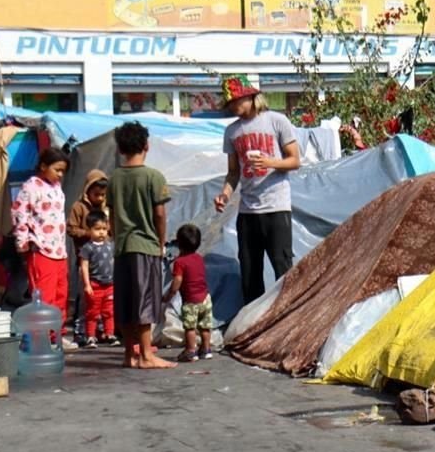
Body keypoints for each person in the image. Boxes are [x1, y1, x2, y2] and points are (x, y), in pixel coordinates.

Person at [214, 74, 300, 305]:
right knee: (250, 272)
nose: (234, 106)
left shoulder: (277, 121)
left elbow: (294, 161)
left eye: (236, 100)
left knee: (282, 267)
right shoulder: (232, 131)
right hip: (248, 211)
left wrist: (271, 162)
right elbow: (233, 172)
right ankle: (253, 322)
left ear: (251, 96)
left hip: (276, 207)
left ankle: (286, 316)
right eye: (230, 103)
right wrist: (225, 194)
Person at [107, 121, 176, 369]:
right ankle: (146, 355)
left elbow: (112, 214)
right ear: (146, 145)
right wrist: (160, 241)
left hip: (122, 247)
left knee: (125, 301)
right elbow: (159, 214)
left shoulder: (114, 178)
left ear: (120, 148)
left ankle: (129, 354)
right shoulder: (153, 177)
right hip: (145, 246)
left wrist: (116, 237)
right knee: (145, 300)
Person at [11, 147, 78, 351]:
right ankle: (40, 337)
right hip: (40, 249)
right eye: (57, 169)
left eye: (62, 171)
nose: (59, 174)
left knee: (60, 295)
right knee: (44, 296)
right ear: (43, 166)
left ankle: (56, 335)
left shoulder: (56, 187)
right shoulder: (31, 186)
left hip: (59, 250)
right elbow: (20, 214)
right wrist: (22, 243)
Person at [67, 169, 109, 341]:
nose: (99, 198)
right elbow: (71, 228)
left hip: (104, 263)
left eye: (102, 195)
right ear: (87, 191)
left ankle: (100, 330)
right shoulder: (79, 207)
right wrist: (88, 234)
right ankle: (80, 331)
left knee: (104, 299)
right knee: (85, 297)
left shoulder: (106, 209)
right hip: (85, 260)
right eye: (96, 194)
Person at [162, 224, 213, 362]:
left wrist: (169, 295)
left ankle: (191, 350)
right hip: (205, 298)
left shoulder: (180, 262)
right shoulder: (199, 258)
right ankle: (206, 349)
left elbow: (177, 281)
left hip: (191, 301)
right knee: (205, 326)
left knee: (190, 327)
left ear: (179, 243)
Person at [78, 210, 119, 349]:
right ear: (89, 230)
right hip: (95, 285)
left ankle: (110, 334)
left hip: (110, 285)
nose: (101, 232)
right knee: (92, 312)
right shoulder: (87, 248)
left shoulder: (110, 245)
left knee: (109, 311)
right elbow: (84, 266)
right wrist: (87, 284)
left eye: (104, 229)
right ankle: (90, 336)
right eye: (97, 229)